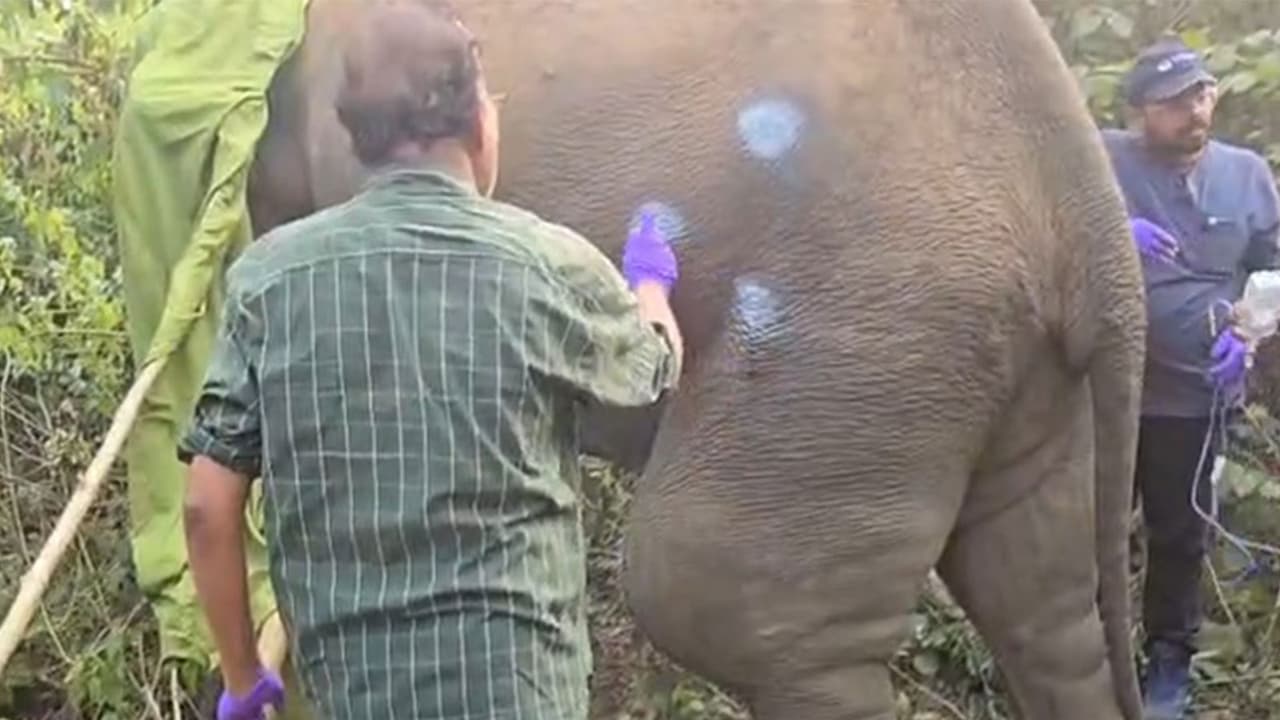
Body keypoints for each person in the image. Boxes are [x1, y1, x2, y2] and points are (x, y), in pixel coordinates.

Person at [176, 2, 686, 719]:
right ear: (479, 123)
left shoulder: (269, 280)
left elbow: (206, 506)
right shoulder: (549, 265)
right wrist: (649, 285)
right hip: (519, 695)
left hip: (356, 695)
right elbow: (654, 375)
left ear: (360, 138)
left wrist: (240, 676)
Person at [1101, 37, 1280, 719]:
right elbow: (1031, 212)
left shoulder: (1247, 173)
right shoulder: (1102, 157)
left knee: (1181, 533)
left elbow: (1272, 269)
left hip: (1193, 399)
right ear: (1140, 110)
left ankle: (1168, 664)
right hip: (1102, 392)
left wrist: (1251, 331)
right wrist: (1114, 227)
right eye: (1173, 102)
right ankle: (1086, 655)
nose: (1193, 110)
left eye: (1201, 94)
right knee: (1094, 528)